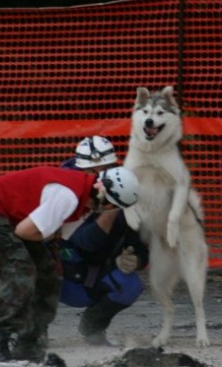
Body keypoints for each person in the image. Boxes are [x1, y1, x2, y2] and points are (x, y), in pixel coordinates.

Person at [0, 164, 139, 363]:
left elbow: (54, 234)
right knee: (20, 270)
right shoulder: (68, 196)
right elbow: (24, 231)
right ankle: (0, 339)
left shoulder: (80, 198)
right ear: (109, 203)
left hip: (10, 217)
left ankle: (30, 344)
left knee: (48, 275)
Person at [55, 136, 149, 345]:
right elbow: (86, 242)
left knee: (129, 285)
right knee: (29, 276)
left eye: (105, 170)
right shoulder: (62, 193)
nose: (99, 179)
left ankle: (93, 328)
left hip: (94, 275)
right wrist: (111, 208)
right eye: (92, 172)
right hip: (57, 275)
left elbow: (140, 241)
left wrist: (136, 259)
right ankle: (31, 333)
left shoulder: (124, 188)